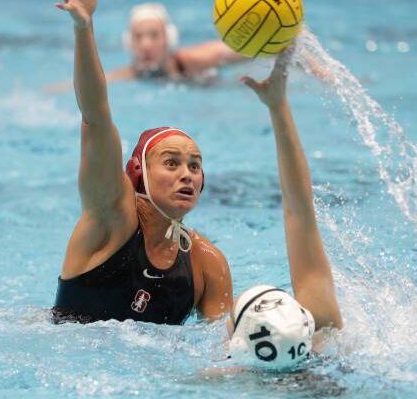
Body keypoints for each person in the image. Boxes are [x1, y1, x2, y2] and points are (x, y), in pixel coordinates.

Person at [51, 0, 232, 325]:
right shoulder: (110, 218)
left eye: (194, 166)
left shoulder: (208, 264)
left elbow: (225, 354)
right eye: (172, 163)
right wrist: (84, 28)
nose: (187, 175)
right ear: (138, 173)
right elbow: (95, 118)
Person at [225, 50, 342, 368]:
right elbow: (299, 207)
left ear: (237, 345)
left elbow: (297, 207)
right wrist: (279, 105)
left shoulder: (227, 381)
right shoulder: (324, 332)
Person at [45, 2, 246, 93]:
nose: (146, 45)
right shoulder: (130, 75)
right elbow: (86, 86)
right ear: (129, 43)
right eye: (138, 37)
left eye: (153, 35)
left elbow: (248, 49)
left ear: (169, 39)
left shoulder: (192, 60)